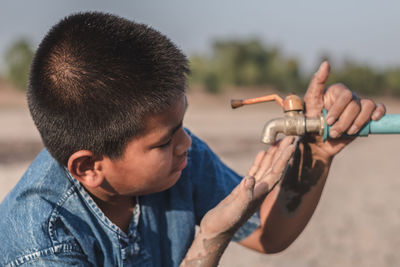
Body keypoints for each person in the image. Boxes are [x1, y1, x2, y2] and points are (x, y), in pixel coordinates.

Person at [0, 12, 385, 267]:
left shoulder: (180, 160)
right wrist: (211, 240)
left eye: (182, 124)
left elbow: (270, 233)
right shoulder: (39, 244)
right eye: (164, 142)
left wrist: (316, 152)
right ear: (89, 167)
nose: (186, 144)